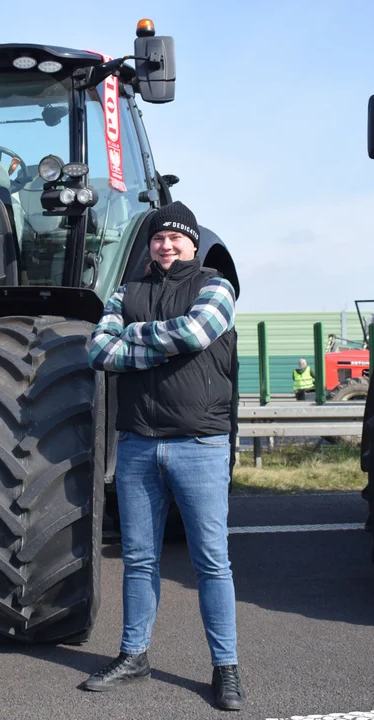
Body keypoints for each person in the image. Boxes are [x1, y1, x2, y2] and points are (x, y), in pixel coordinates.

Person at [82, 201, 244, 712]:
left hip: (199, 443)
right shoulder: (127, 291)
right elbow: (97, 352)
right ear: (149, 244)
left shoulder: (216, 287)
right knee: (139, 559)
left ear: (193, 243)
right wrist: (159, 341)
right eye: (158, 238)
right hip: (136, 445)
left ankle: (226, 668)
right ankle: (134, 656)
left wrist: (132, 335)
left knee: (211, 562)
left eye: (176, 238)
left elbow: (198, 332)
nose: (166, 245)